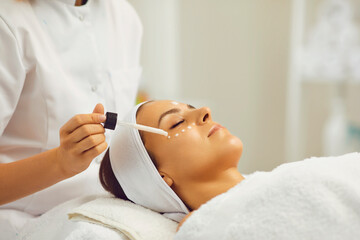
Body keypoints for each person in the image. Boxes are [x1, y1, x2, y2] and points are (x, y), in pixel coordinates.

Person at [100, 100, 360, 239]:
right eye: (177, 122)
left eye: (192, 107)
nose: (205, 111)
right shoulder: (204, 227)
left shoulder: (276, 181)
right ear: (159, 177)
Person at [0, 0, 142, 237]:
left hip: (109, 215)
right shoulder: (9, 22)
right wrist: (59, 162)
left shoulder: (124, 17)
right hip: (25, 224)